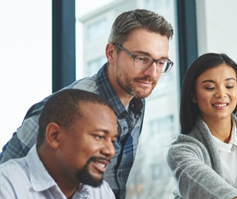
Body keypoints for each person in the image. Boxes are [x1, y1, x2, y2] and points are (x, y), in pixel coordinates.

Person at [0, 9, 174, 199]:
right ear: (111, 53)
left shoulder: (136, 100)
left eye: (160, 62)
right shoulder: (69, 108)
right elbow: (9, 170)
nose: (153, 73)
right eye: (142, 59)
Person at [167, 53, 237, 199]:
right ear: (193, 95)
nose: (222, 94)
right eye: (209, 87)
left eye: (229, 86)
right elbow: (203, 186)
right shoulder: (180, 150)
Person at [0, 89, 118, 198]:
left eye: (112, 140)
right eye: (99, 137)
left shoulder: (100, 191)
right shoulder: (6, 186)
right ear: (54, 136)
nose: (110, 151)